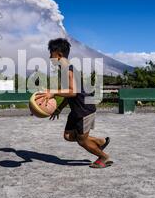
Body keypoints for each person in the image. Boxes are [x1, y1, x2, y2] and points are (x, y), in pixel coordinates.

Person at [36, 38, 112, 169]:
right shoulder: (65, 69)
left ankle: (103, 157)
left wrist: (53, 92)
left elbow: (73, 92)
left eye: (51, 54)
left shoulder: (68, 69)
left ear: (58, 54)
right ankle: (99, 141)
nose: (49, 57)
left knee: (82, 140)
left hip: (84, 109)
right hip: (76, 110)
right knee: (68, 136)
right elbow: (69, 94)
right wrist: (59, 109)